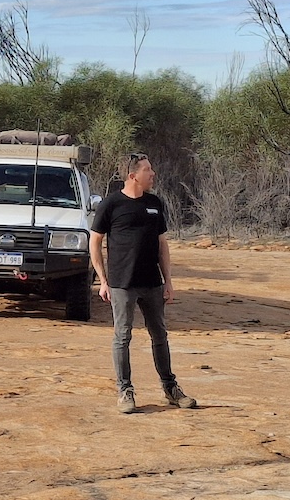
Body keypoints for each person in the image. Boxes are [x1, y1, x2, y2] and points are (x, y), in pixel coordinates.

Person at [89, 153, 197, 414]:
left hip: (152, 283)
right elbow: (95, 241)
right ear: (132, 175)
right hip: (122, 283)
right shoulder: (111, 204)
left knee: (159, 335)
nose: (153, 174)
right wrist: (103, 280)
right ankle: (125, 391)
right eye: (148, 170)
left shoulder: (154, 203)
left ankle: (170, 388)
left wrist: (168, 281)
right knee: (122, 336)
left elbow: (162, 245)